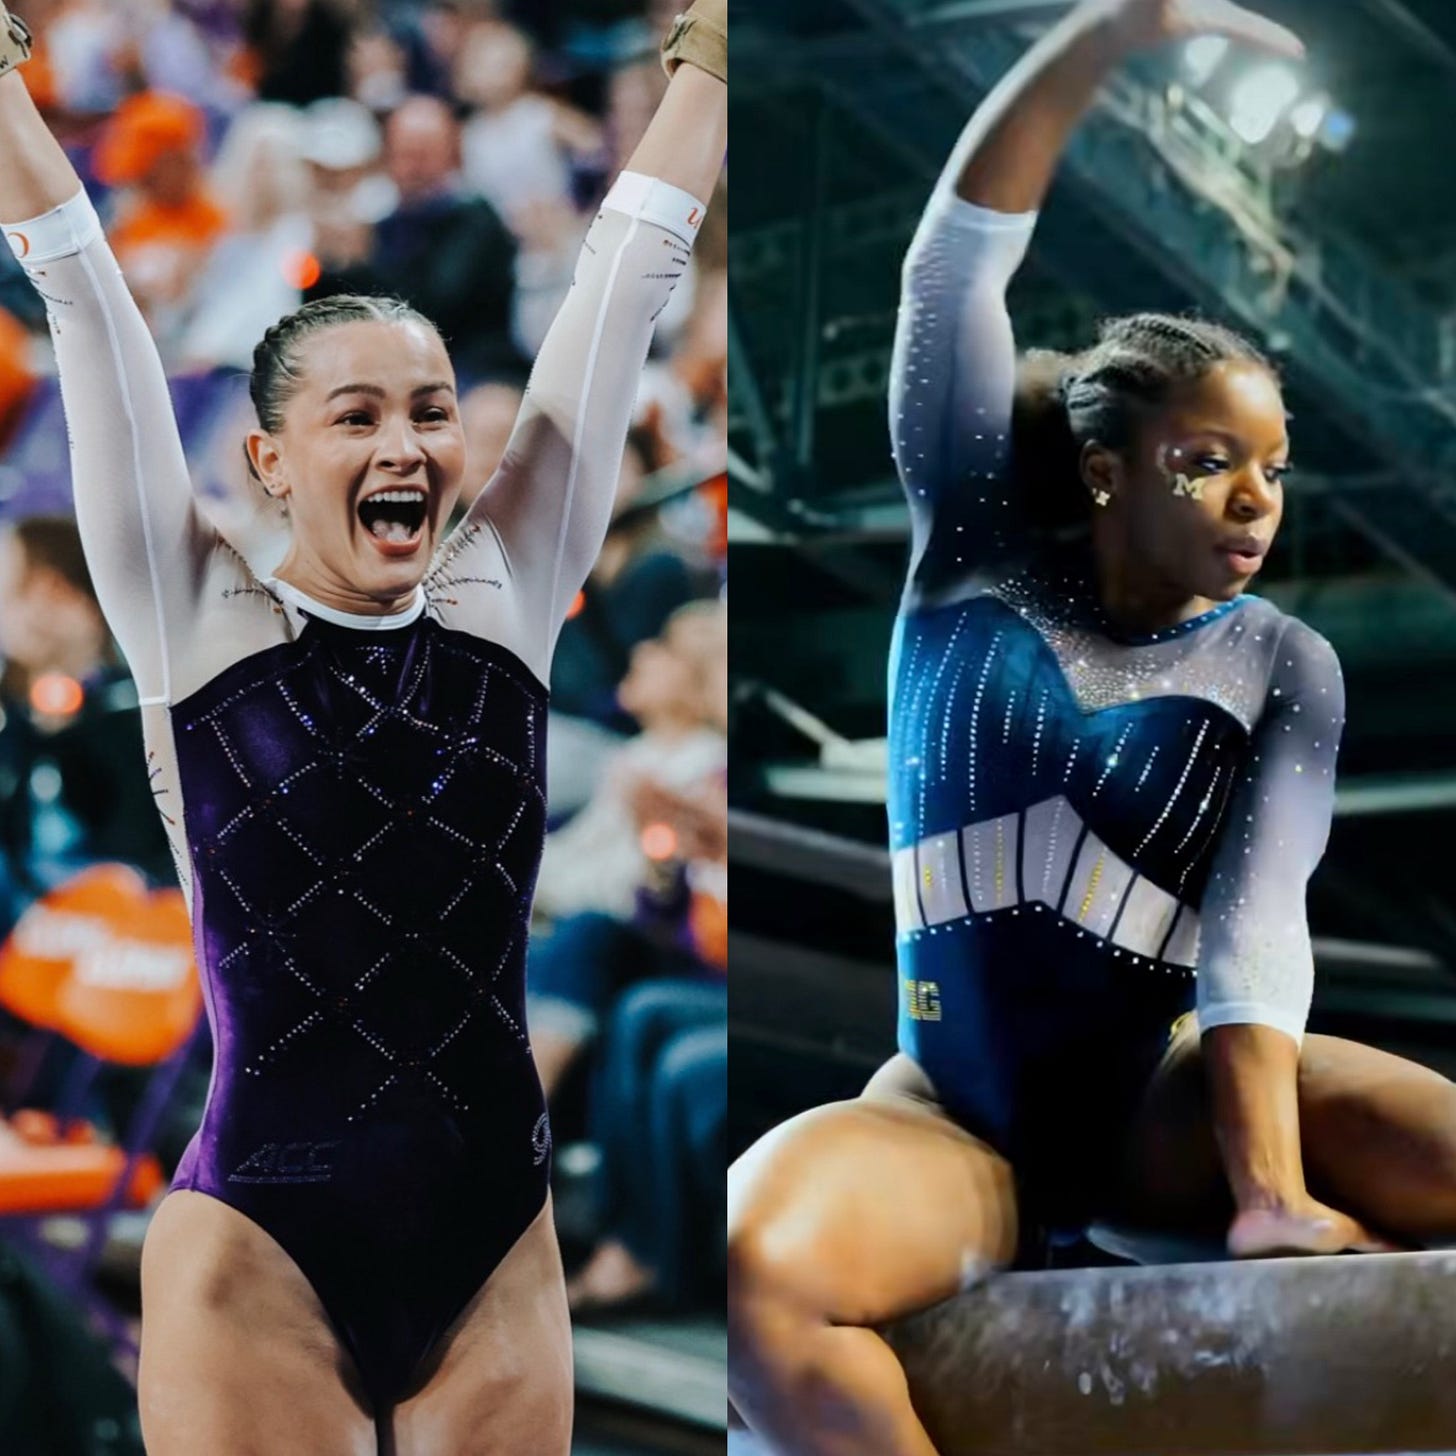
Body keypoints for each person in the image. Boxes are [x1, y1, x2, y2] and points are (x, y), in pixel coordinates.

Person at [727, 4, 1456, 1454]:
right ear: (1106, 471)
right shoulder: (974, 552)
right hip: (957, 1118)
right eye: (1207, 463)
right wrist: (1103, 40)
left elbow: (1259, 932)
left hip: (1164, 1106)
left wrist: (1265, 1191)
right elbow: (949, 273)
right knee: (761, 1271)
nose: (1257, 503)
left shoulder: (1281, 664)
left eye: (1274, 470)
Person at [0, 0, 724, 1450]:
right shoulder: (191, 618)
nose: (405, 444)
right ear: (267, 459)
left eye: (432, 411)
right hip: (262, 1255)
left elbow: (621, 291)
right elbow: (87, 305)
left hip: (497, 1258)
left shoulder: (507, 595)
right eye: (357, 418)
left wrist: (706, 65)